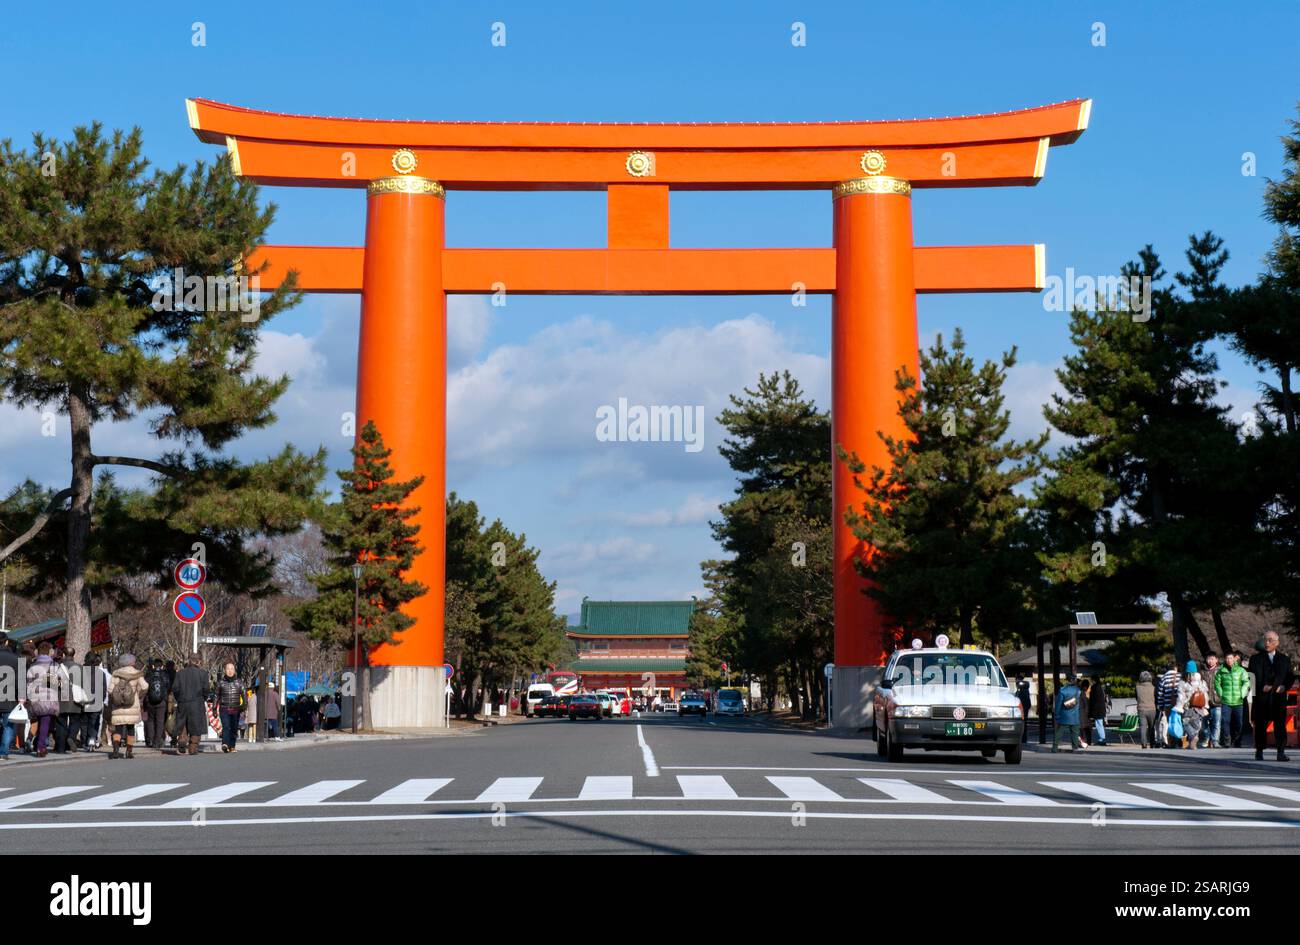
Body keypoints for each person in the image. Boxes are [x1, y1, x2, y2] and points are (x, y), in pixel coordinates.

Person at [1247, 630, 1293, 762]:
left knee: (1280, 725)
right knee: (1260, 725)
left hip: (1278, 697)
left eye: (1270, 640)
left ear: (1277, 643)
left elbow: (1289, 676)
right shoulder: (1255, 659)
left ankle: (1281, 752)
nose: (1267, 643)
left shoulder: (1284, 659)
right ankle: (1259, 751)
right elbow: (1251, 677)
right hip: (1262, 697)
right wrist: (1261, 687)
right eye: (1265, 640)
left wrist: (1285, 687)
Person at [25, 642, 67, 758]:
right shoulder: (54, 665)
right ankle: (40, 747)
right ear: (49, 652)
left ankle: (36, 743)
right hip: (49, 698)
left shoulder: (33, 665)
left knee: (38, 720)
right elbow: (62, 682)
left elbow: (28, 682)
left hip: (35, 697)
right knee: (45, 722)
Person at [106, 654, 149, 759]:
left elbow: (110, 690)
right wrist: (138, 694)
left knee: (118, 729)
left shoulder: (116, 674)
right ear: (132, 662)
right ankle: (129, 751)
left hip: (118, 706)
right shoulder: (137, 674)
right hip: (132, 706)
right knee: (130, 728)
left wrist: (117, 697)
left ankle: (116, 750)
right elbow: (145, 686)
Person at [170, 655, 209, 756]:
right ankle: (193, 747)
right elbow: (206, 689)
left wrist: (179, 699)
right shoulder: (203, 673)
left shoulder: (180, 673)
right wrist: (203, 698)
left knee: (183, 723)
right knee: (196, 726)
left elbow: (175, 688)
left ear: (189, 661)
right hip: (197, 702)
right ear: (198, 662)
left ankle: (182, 740)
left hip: (183, 702)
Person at [1215, 650, 1249, 748]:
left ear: (1234, 659)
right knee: (1225, 721)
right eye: (1227, 658)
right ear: (1225, 659)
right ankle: (1227, 741)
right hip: (1226, 701)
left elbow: (1246, 682)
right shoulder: (1221, 671)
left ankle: (1237, 740)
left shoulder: (1241, 670)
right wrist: (1221, 694)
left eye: (1231, 658)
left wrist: (1242, 694)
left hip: (1238, 701)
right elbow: (1217, 684)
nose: (1229, 660)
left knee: (1239, 723)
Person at [1176, 667, 1210, 750]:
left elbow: (1181, 696)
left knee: (1185, 723)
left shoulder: (1183, 682)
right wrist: (1206, 705)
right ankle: (1192, 744)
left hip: (1188, 707)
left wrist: (1179, 707)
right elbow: (1205, 694)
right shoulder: (1201, 682)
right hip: (1199, 708)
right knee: (1196, 725)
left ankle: (1192, 737)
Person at [215, 662, 245, 753]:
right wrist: (214, 708)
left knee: (234, 728)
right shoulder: (220, 682)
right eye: (228, 669)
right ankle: (225, 744)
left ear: (234, 670)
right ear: (225, 670)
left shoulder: (239, 682)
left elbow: (244, 695)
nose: (230, 671)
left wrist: (244, 706)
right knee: (226, 726)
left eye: (232, 669)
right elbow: (216, 696)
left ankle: (232, 746)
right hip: (224, 708)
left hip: (236, 709)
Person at [143, 657, 170, 750]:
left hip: (150, 701)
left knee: (150, 720)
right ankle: (157, 740)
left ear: (154, 665)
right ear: (162, 666)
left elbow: (144, 687)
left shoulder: (149, 674)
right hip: (161, 702)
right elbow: (168, 686)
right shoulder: (165, 675)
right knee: (160, 721)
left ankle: (150, 739)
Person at [0, 640, 20, 759]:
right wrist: (22, 697)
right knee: (8, 726)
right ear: (6, 642)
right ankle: (3, 752)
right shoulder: (17, 658)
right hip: (10, 698)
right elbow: (21, 681)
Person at [1052, 676, 1083, 752]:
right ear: (1074, 680)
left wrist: (1056, 714)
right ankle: (1075, 748)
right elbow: (1079, 703)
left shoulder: (1062, 690)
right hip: (1075, 715)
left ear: (1067, 680)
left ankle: (1055, 748)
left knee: (1059, 732)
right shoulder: (1078, 690)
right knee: (1075, 733)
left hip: (1064, 715)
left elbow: (1058, 704)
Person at [1155, 663, 1181, 748]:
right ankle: (1179, 740)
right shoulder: (1179, 676)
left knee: (1170, 723)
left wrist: (1160, 705)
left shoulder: (1164, 678)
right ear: (1175, 668)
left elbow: (1160, 694)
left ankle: (1172, 742)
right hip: (1179, 704)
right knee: (1179, 722)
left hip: (1167, 705)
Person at [1201, 652, 1222, 748]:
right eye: (1209, 658)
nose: (1210, 661)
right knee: (1203, 722)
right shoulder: (1202, 671)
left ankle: (1215, 741)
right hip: (1204, 702)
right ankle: (1206, 737)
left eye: (1212, 658)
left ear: (1216, 660)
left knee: (1216, 723)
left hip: (1218, 701)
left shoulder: (1221, 671)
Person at [1135, 670, 1158, 748]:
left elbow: (1136, 698)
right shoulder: (1153, 687)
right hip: (1152, 709)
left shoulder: (1137, 687)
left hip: (1141, 709)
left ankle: (1144, 744)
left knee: (1143, 727)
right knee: (1152, 727)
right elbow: (1156, 698)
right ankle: (1152, 743)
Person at [1088, 676, 1109, 746]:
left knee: (1099, 724)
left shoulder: (1094, 687)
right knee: (1100, 724)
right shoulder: (1100, 687)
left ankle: (1102, 739)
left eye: (1091, 680)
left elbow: (1092, 699)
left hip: (1097, 709)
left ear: (1094, 680)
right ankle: (1102, 738)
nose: (1091, 682)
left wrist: (1090, 710)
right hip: (1101, 709)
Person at [1015, 676, 1032, 742]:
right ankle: (1022, 738)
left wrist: (1025, 709)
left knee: (1023, 724)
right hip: (1021, 709)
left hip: (1023, 709)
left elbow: (1026, 701)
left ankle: (1023, 738)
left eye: (1018, 681)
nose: (1017, 683)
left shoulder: (1024, 690)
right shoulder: (1019, 690)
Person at [1077, 677, 1092, 748]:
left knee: (1082, 729)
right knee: (1084, 729)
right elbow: (1085, 703)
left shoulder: (1080, 692)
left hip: (1081, 713)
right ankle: (1085, 742)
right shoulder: (1081, 692)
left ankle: (1084, 742)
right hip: (1082, 713)